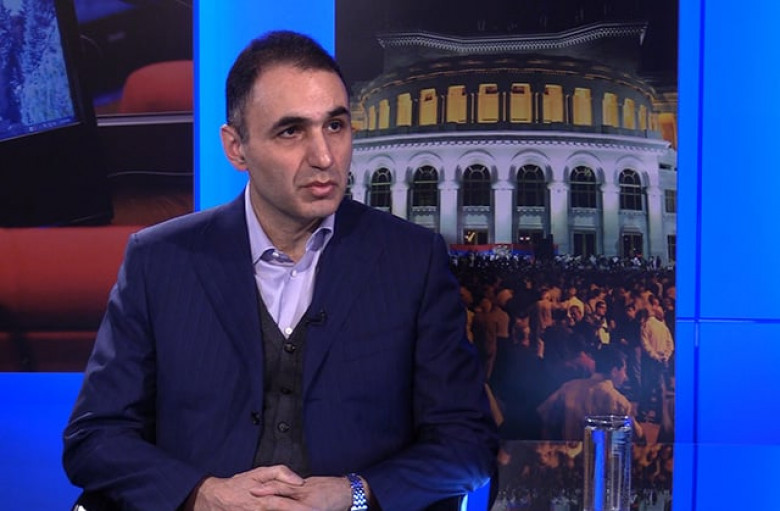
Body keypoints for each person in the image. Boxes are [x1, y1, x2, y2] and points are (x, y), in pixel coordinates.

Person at [62, 31, 497, 511]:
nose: (324, 157)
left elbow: (467, 446)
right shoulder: (160, 260)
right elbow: (95, 438)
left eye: (335, 125)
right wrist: (204, 495)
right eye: (291, 131)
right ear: (236, 148)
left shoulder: (412, 260)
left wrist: (353, 493)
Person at [536, 345, 643, 441]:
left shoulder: (568, 387)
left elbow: (543, 414)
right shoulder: (620, 402)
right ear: (614, 371)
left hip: (569, 452)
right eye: (624, 370)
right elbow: (637, 436)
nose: (625, 377)